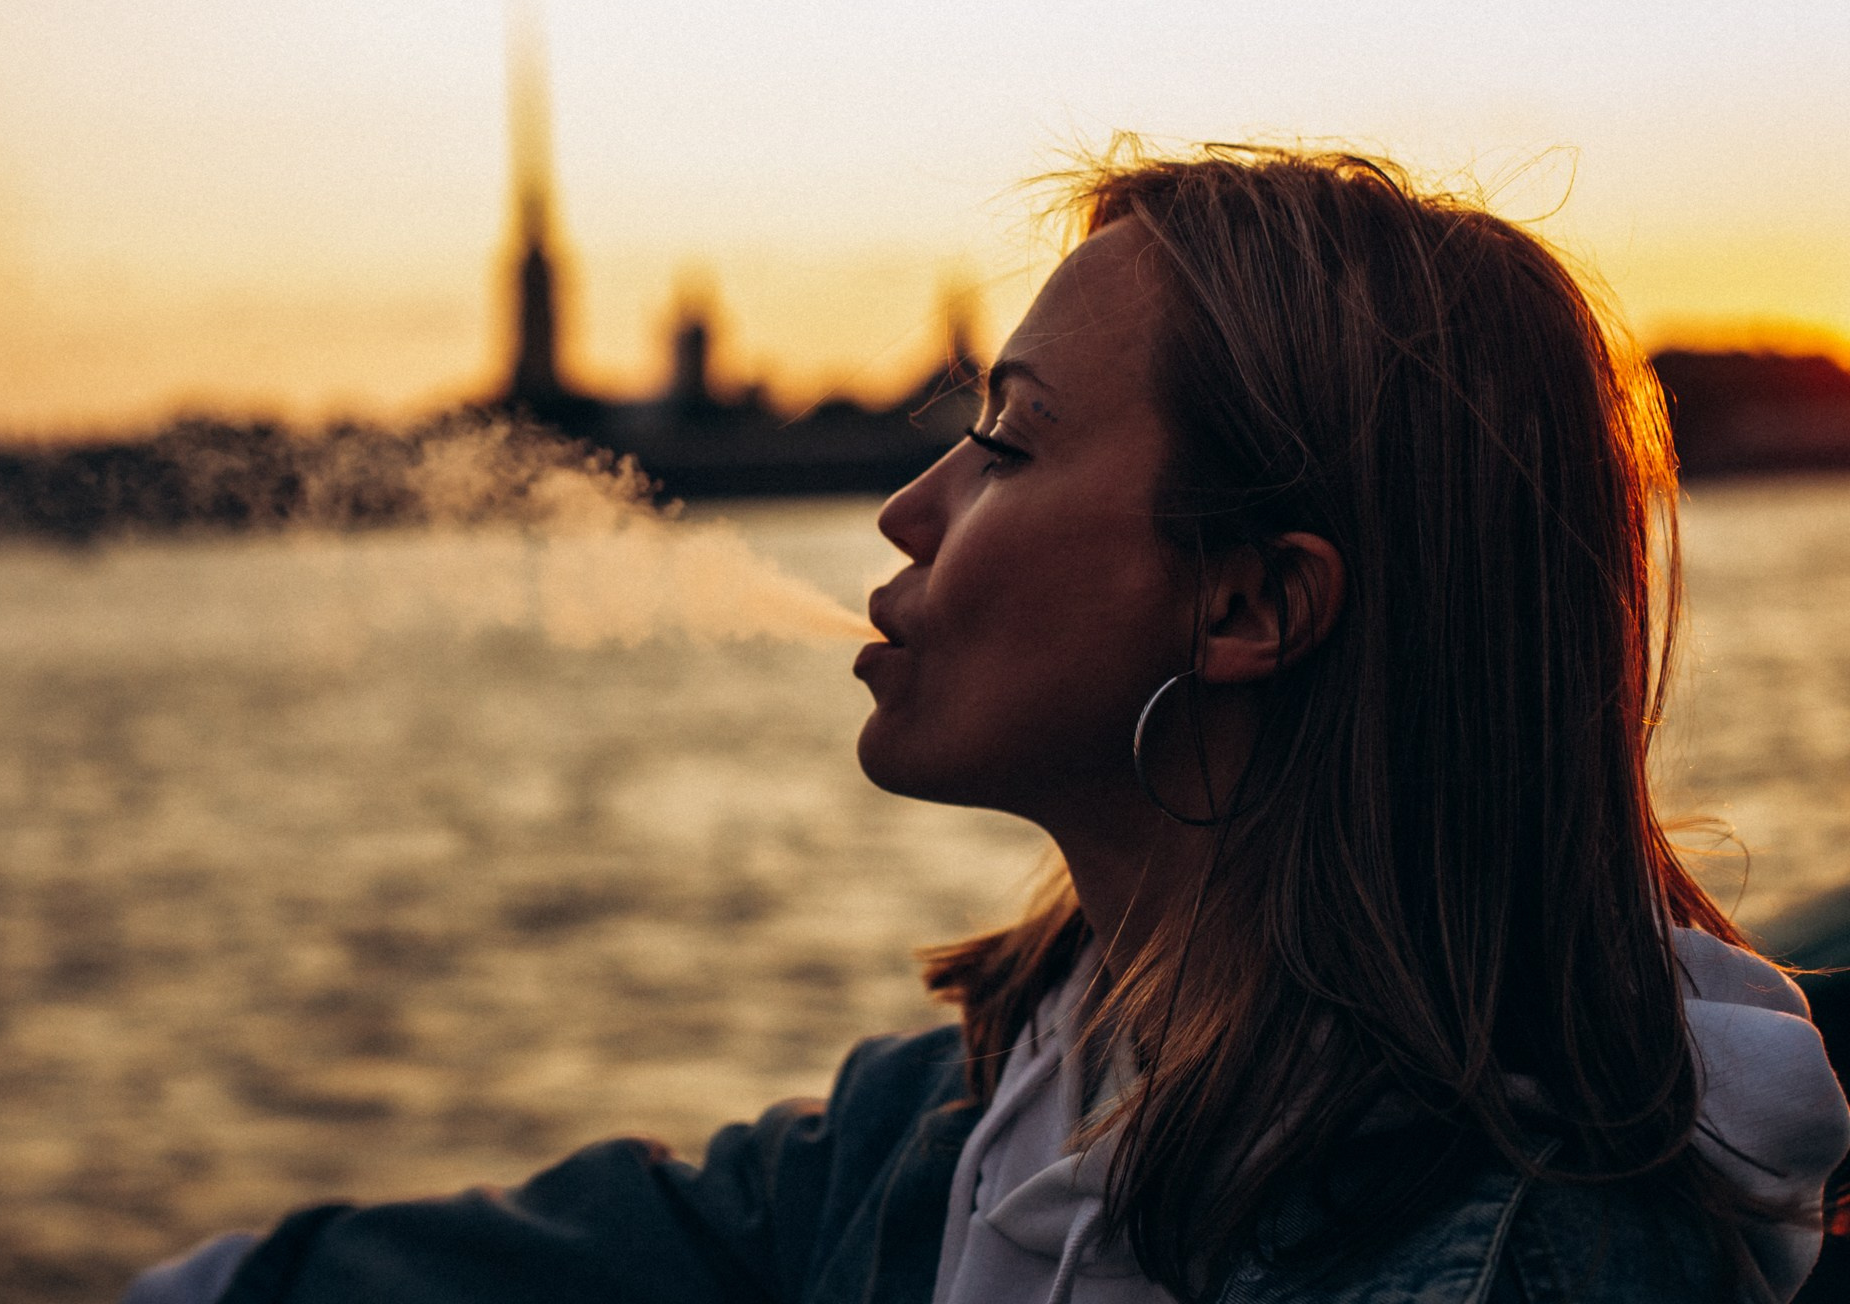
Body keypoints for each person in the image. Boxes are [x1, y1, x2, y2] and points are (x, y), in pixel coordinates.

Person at [126, 146, 1850, 1303]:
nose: (907, 507)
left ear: (1248, 608)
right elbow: (634, 1248)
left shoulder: (1538, 1258)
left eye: (1008, 443)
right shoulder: (999, 1105)